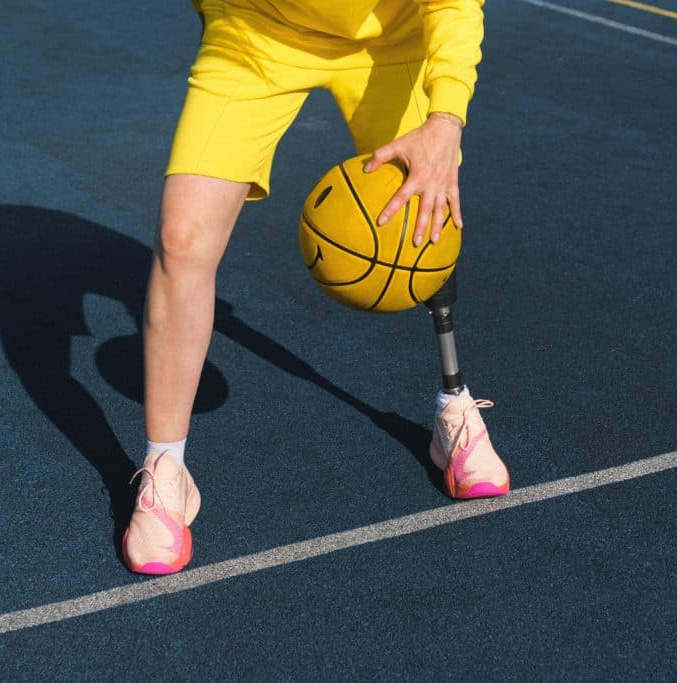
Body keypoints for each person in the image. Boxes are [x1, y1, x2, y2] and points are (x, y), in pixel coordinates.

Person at [121, 0, 509, 575]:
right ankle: (166, 467)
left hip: (390, 38)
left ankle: (454, 406)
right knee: (181, 238)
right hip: (257, 34)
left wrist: (445, 120)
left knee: (425, 211)